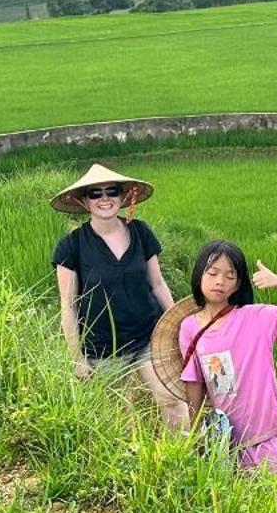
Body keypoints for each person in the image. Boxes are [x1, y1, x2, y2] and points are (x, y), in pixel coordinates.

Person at [51, 162, 188, 430]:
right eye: (95, 193)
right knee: (118, 421)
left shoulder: (141, 232)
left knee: (172, 399)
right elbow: (68, 305)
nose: (105, 199)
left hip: (149, 335)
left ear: (123, 197)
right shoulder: (72, 246)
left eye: (111, 191)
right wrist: (76, 358)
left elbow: (158, 284)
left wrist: (179, 326)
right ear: (84, 201)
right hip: (103, 348)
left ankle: (183, 458)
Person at [178, 239, 277, 497]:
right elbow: (194, 381)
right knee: (240, 505)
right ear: (199, 275)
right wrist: (194, 430)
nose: (219, 281)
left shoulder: (254, 317)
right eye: (212, 273)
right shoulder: (190, 327)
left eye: (229, 275)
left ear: (238, 284)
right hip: (227, 439)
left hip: (266, 430)